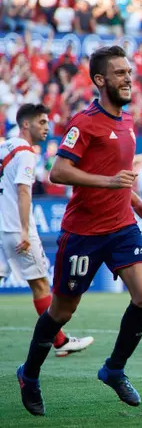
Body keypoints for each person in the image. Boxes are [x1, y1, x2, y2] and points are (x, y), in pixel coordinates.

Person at [16, 45, 142, 416]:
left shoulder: (128, 122)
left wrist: (136, 200)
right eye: (119, 73)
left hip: (122, 228)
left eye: (129, 71)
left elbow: (120, 178)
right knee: (62, 311)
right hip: (83, 233)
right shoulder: (84, 122)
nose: (128, 78)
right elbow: (58, 172)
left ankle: (114, 369)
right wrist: (111, 182)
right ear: (100, 80)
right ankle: (29, 374)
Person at [0, 104, 94, 358]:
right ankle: (61, 342)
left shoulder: (3, 147)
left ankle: (61, 341)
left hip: (1, 227)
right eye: (42, 122)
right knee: (40, 284)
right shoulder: (26, 153)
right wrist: (23, 230)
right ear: (26, 125)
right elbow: (23, 190)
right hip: (15, 228)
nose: (47, 127)